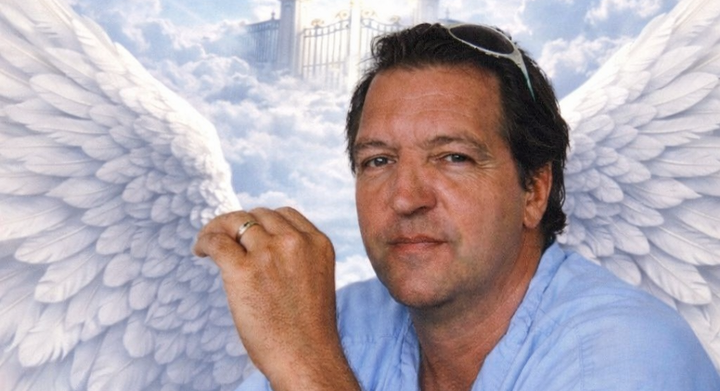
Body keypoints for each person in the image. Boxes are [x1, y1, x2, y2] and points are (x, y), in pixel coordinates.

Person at [193, 23, 720, 391]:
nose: (406, 198)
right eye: (378, 161)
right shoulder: (340, 321)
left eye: (453, 157)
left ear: (534, 191)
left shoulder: (627, 354)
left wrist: (306, 368)